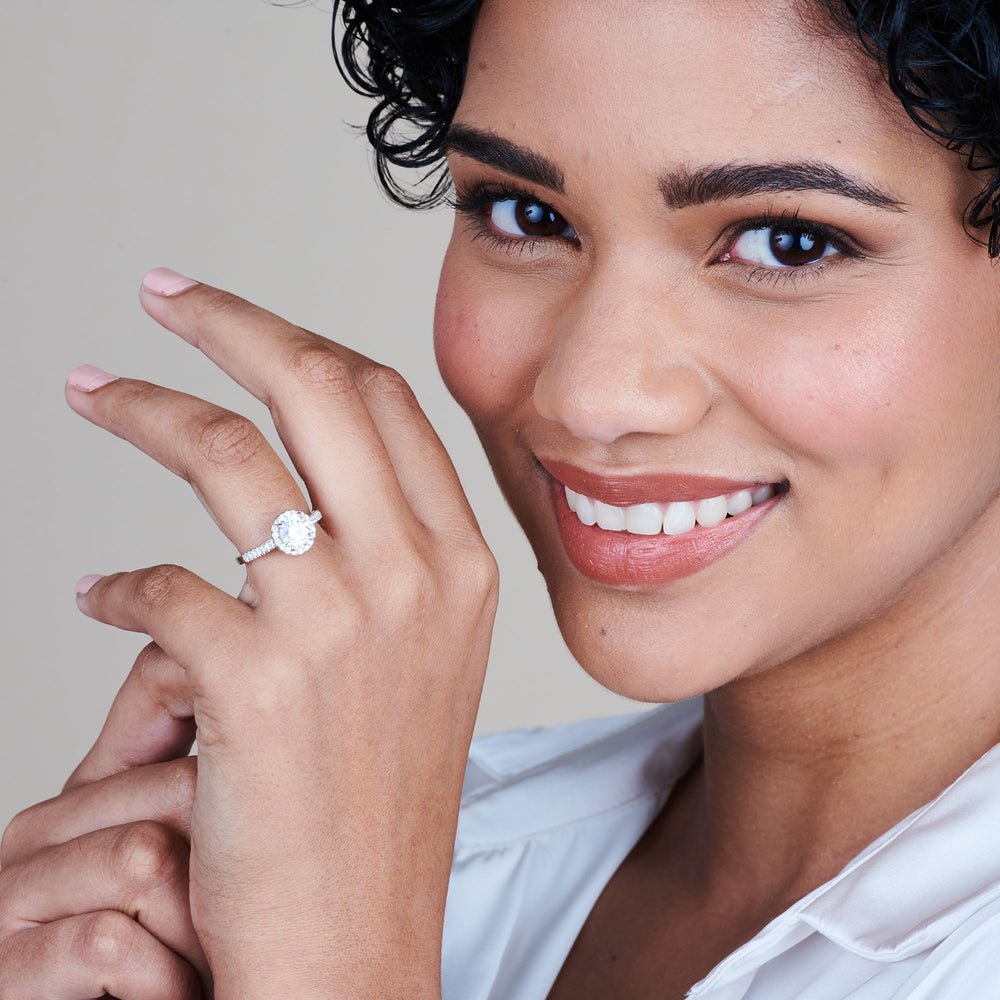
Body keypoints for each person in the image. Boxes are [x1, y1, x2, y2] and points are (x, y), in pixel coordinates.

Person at [2, 0, 1000, 996]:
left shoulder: (341, 911)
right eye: (527, 214)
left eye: (786, 242)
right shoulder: (371, 860)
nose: (589, 392)